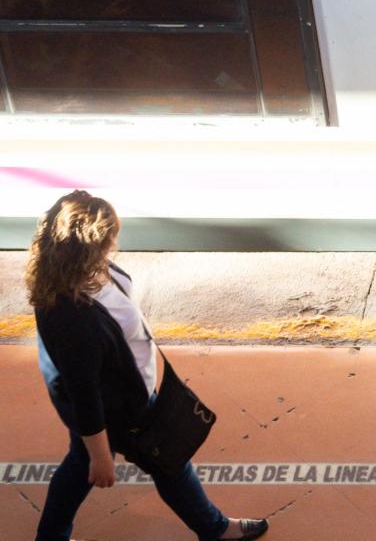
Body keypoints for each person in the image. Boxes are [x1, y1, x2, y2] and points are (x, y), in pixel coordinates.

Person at [29, 190, 268, 541]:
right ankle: (215, 529)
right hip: (122, 408)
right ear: (90, 247)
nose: (115, 243)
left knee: (81, 464)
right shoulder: (72, 318)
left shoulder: (81, 273)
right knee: (170, 462)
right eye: (110, 238)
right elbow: (85, 395)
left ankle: (50, 536)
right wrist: (101, 457)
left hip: (122, 393)